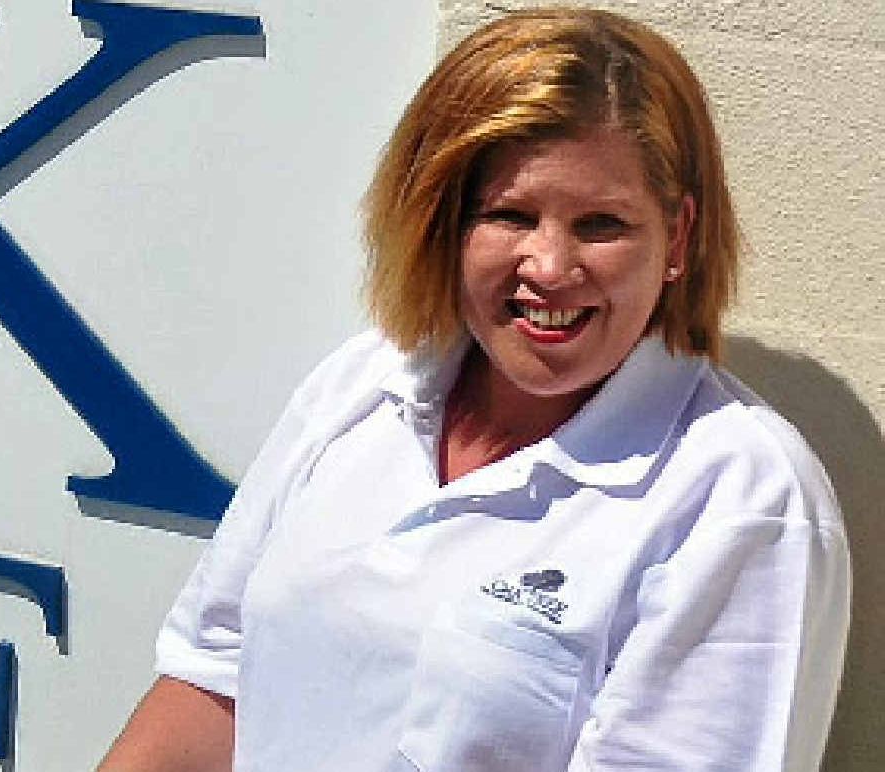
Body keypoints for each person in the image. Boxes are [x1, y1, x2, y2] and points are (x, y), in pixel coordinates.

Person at [98, 8, 850, 771]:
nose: (550, 267)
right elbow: (211, 685)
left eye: (601, 224)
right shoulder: (363, 385)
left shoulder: (740, 497)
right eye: (510, 216)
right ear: (444, 223)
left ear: (678, 236)